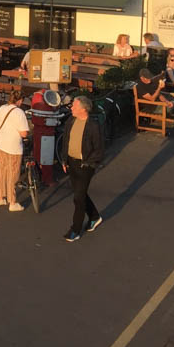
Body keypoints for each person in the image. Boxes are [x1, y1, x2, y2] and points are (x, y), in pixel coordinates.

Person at [61, 95, 105, 242]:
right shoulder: (71, 121)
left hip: (85, 165)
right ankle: (94, 217)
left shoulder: (93, 126)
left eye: (74, 105)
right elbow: (66, 140)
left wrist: (89, 163)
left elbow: (98, 149)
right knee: (81, 194)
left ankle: (75, 230)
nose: (71, 108)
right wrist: (64, 159)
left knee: (78, 198)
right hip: (71, 163)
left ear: (83, 109)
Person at [0, 90, 29, 212]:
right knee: (13, 173)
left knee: (2, 170)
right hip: (13, 147)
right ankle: (12, 202)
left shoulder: (1, 108)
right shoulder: (19, 112)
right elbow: (24, 134)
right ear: (20, 100)